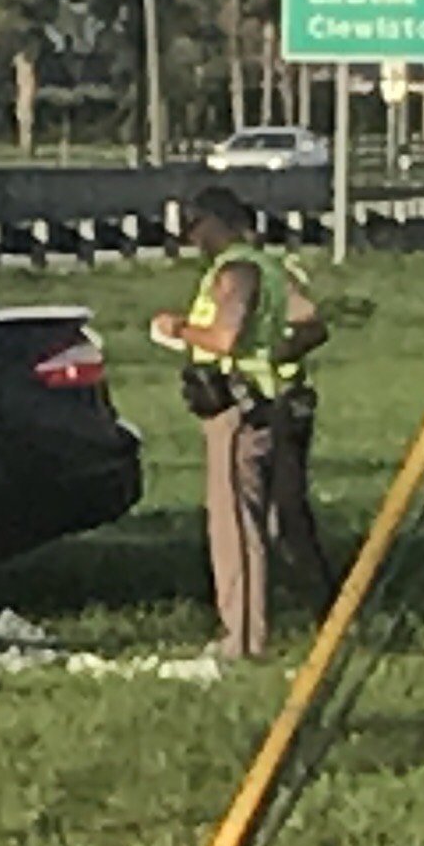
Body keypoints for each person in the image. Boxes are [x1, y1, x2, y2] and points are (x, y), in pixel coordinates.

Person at [151, 188, 326, 662]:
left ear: (216, 221)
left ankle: (243, 640)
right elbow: (309, 325)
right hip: (268, 405)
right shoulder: (269, 268)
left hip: (236, 410)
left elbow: (225, 338)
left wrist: (178, 328)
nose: (191, 237)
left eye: (194, 225)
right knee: (279, 520)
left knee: (235, 527)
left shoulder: (236, 272)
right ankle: (307, 618)